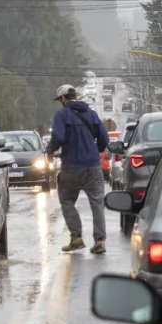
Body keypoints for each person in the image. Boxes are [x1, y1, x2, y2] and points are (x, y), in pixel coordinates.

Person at [46, 84, 109, 253]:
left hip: (71, 167)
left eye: (60, 100)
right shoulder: (92, 114)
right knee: (97, 203)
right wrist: (96, 150)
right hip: (93, 166)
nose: (61, 103)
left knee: (66, 201)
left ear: (64, 98)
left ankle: (76, 237)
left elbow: (58, 136)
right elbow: (104, 137)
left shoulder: (62, 115)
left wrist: (50, 150)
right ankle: (100, 241)